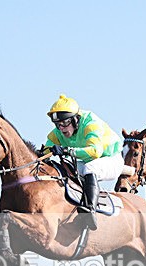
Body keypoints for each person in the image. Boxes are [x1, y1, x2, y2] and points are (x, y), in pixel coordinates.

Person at [44, 94, 123, 230]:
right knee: (64, 168)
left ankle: (90, 211)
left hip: (111, 159)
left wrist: (66, 150)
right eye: (57, 125)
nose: (61, 128)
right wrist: (44, 152)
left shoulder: (91, 124)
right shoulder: (58, 132)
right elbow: (45, 151)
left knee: (90, 168)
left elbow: (95, 152)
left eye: (65, 123)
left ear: (76, 119)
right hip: (87, 162)